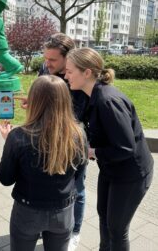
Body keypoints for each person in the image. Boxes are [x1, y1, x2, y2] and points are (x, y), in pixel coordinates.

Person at [65, 47, 154, 251]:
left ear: (87, 72)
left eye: (70, 71)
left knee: (117, 228)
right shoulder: (89, 94)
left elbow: (125, 148)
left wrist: (93, 152)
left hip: (131, 173)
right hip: (111, 168)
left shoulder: (108, 100)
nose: (65, 75)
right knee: (104, 216)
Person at [0, 75, 87, 251]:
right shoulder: (79, 134)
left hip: (27, 211)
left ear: (34, 101)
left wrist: (9, 143)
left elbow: (5, 178)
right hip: (63, 211)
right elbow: (78, 174)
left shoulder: (18, 137)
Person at [19, 33, 88, 251]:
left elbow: (81, 114)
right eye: (45, 59)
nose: (46, 64)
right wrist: (34, 103)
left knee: (77, 187)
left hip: (70, 141)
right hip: (45, 139)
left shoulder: (76, 78)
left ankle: (74, 231)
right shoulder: (45, 69)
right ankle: (45, 224)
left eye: (52, 60)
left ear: (68, 59)